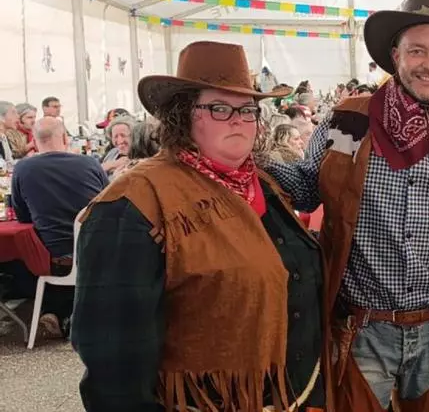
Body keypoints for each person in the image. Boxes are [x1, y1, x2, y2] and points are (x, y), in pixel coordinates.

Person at [268, 0, 429, 412]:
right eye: (417, 50)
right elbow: (307, 187)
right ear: (395, 56)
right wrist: (250, 167)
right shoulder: (350, 121)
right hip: (359, 328)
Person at [70, 41, 324, 411]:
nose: (238, 120)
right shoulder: (136, 200)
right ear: (183, 113)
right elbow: (111, 351)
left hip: (289, 394)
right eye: (219, 108)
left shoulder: (264, 184)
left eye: (247, 110)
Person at [10, 116, 108, 338]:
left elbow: (22, 216)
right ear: (65, 138)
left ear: (35, 142)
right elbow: (109, 203)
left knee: (25, 260)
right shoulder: (90, 164)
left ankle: (53, 312)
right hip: (97, 252)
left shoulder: (23, 168)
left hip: (53, 259)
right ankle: (72, 315)